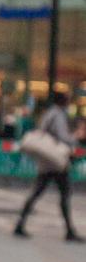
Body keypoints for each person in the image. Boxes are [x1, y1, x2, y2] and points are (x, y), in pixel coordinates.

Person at [14, 87, 82, 241]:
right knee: (64, 194)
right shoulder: (57, 114)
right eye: (67, 98)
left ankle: (20, 224)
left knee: (38, 192)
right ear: (62, 100)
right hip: (55, 161)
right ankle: (69, 231)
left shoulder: (49, 113)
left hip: (48, 161)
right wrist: (76, 136)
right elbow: (62, 136)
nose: (69, 100)